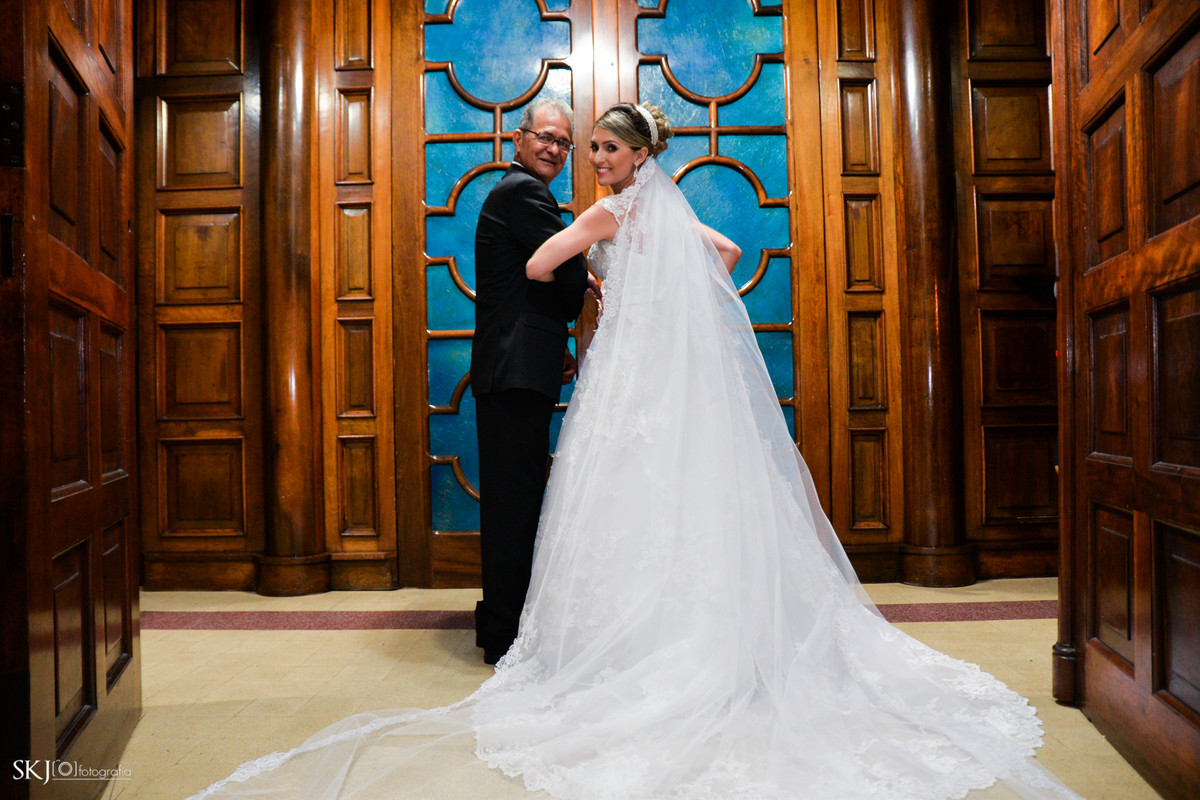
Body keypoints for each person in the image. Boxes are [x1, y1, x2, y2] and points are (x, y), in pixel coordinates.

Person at [185, 103, 1083, 800]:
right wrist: (653, 300)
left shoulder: (606, 212)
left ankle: (610, 645)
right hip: (658, 368)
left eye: (604, 149)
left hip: (621, 372)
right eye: (586, 148)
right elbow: (726, 251)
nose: (593, 159)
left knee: (619, 493)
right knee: (680, 492)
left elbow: (537, 267)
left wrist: (602, 284)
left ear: (638, 154)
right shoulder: (667, 216)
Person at [470, 97, 592, 665]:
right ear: (518, 139)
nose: (554, 149)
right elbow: (567, 271)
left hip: (516, 366)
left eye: (564, 142)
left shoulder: (516, 192)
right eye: (545, 137)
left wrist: (554, 343)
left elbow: (527, 288)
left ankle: (503, 624)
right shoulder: (524, 192)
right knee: (513, 506)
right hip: (513, 372)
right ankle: (503, 635)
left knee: (513, 501)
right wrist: (580, 287)